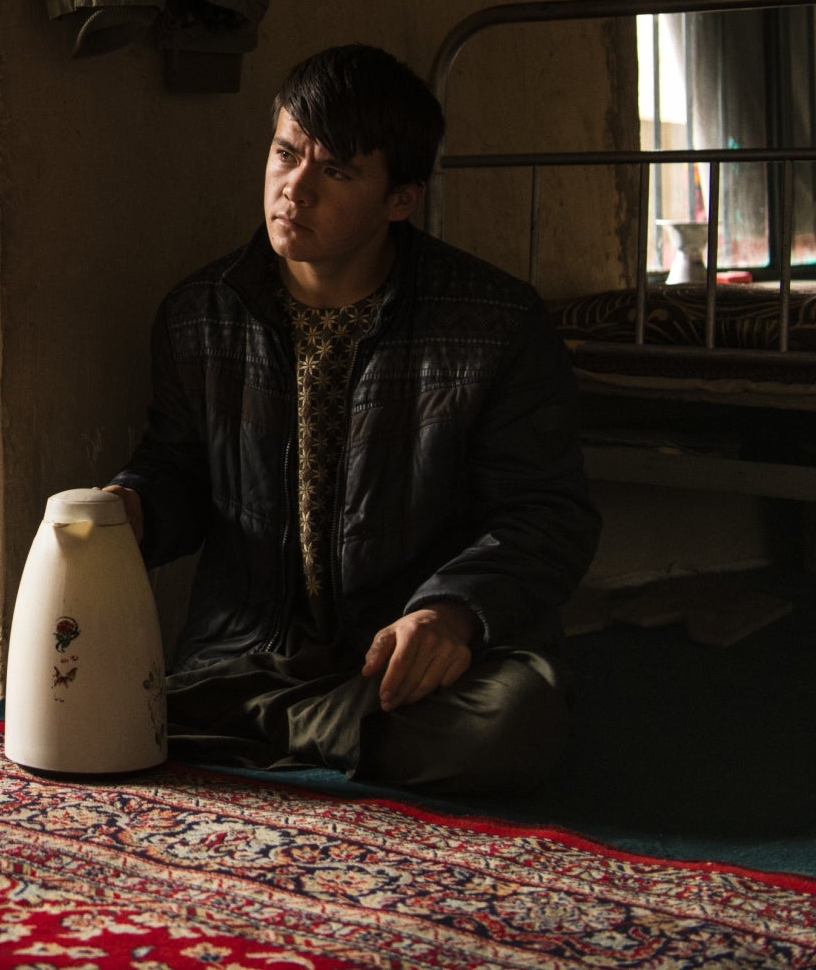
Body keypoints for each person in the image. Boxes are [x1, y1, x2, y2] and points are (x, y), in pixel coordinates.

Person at [107, 44, 599, 793]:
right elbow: (179, 473)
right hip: (249, 655)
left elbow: (545, 515)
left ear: (400, 198)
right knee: (102, 690)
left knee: (513, 716)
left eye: (334, 171)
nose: (292, 190)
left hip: (407, 660)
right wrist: (128, 509)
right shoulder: (200, 314)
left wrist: (451, 613)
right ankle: (304, 724)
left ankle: (265, 728)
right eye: (285, 153)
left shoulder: (494, 324)